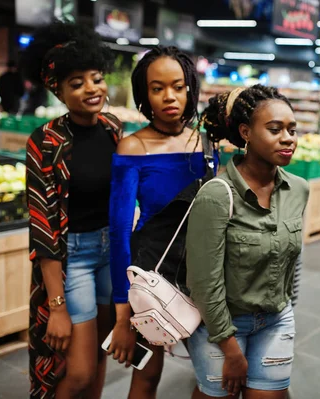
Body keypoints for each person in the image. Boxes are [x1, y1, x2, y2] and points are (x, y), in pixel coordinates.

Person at [185, 84, 309, 399]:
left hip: (276, 319)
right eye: (274, 129)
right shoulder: (217, 194)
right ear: (246, 132)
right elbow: (203, 282)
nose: (287, 138)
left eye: (292, 129)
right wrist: (230, 349)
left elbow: (292, 263)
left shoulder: (299, 189)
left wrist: (287, 310)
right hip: (223, 324)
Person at [23, 22, 120, 398]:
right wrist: (56, 306)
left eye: (95, 78)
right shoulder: (46, 141)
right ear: (58, 91)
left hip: (110, 251)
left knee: (99, 356)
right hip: (73, 258)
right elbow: (43, 227)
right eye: (77, 83)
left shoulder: (114, 130)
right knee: (77, 371)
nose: (91, 88)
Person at [107, 46, 210, 398]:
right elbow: (120, 232)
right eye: (157, 88)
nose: (170, 96)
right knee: (147, 375)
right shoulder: (132, 147)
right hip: (151, 273)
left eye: (178, 86)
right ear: (144, 94)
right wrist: (123, 317)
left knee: (212, 375)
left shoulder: (206, 142)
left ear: (190, 90)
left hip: (201, 272)